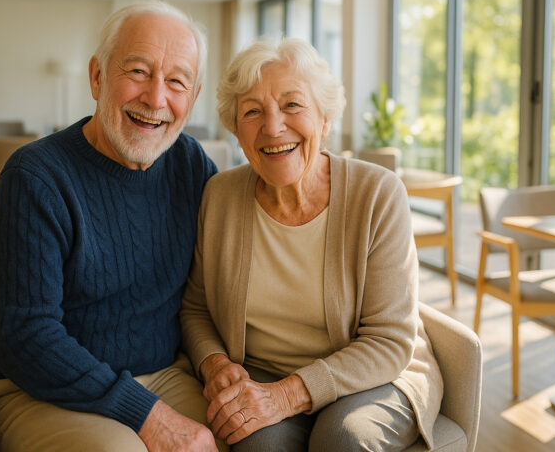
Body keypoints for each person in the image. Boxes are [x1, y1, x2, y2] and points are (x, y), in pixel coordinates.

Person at [0, 0, 222, 451]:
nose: (156, 98)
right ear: (97, 77)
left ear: (193, 98)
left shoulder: (190, 165)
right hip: (36, 388)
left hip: (164, 374)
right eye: (138, 72)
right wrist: (148, 417)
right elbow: (27, 338)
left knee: (248, 437)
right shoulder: (36, 177)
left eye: (177, 81)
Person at [180, 38, 443, 451]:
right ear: (236, 130)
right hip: (261, 374)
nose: (272, 126)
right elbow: (195, 308)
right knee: (254, 445)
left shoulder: (377, 193)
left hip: (371, 378)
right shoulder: (219, 195)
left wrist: (288, 395)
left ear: (324, 119)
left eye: (292, 105)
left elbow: (390, 340)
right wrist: (214, 364)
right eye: (252, 111)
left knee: (343, 439)